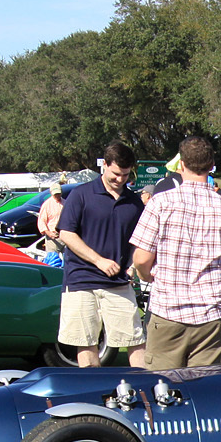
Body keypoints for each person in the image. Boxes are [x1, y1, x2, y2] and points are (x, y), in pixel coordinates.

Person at [130, 135, 221, 369]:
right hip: (211, 318)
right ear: (211, 166)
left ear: (181, 165)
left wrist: (147, 276)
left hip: (167, 313)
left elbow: (141, 258)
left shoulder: (159, 203)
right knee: (205, 394)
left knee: (163, 393)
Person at [56, 142, 148, 369]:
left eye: (125, 175)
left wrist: (133, 266)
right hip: (81, 280)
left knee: (136, 340)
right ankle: (93, 393)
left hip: (118, 284)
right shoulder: (81, 195)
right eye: (116, 173)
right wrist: (98, 260)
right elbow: (66, 234)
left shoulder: (135, 203)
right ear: (104, 165)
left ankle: (145, 389)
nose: (120, 179)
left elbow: (139, 242)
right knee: (86, 342)